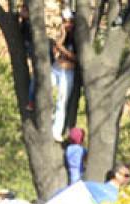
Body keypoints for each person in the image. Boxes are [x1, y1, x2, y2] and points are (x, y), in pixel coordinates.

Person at [51, 8, 77, 142]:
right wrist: (61, 36)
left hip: (68, 72)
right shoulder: (63, 34)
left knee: (61, 101)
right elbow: (55, 49)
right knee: (46, 90)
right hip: (56, 68)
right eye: (64, 21)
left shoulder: (77, 38)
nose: (66, 24)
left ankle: (56, 130)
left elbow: (76, 58)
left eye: (68, 22)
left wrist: (62, 49)